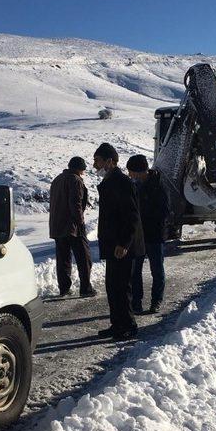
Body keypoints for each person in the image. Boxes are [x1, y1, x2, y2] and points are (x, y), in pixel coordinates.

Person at [93, 142, 144, 340]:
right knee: (112, 287)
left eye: (97, 160)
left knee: (122, 288)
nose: (94, 164)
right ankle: (117, 324)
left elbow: (131, 215)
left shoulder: (122, 182)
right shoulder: (109, 180)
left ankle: (128, 326)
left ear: (110, 161)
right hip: (113, 245)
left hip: (122, 246)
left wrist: (124, 243)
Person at [126, 154, 169, 314]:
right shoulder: (134, 185)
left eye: (131, 171)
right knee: (135, 271)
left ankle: (156, 301)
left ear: (139, 171)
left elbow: (164, 212)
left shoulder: (158, 185)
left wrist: (146, 219)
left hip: (154, 235)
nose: (130, 175)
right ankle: (136, 303)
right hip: (138, 236)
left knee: (157, 270)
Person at [49, 156, 95, 297]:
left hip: (57, 226)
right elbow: (76, 204)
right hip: (72, 226)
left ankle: (64, 288)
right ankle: (86, 289)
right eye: (82, 170)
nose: (83, 173)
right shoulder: (74, 180)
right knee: (84, 258)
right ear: (78, 169)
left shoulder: (57, 180)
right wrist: (80, 223)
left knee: (63, 259)